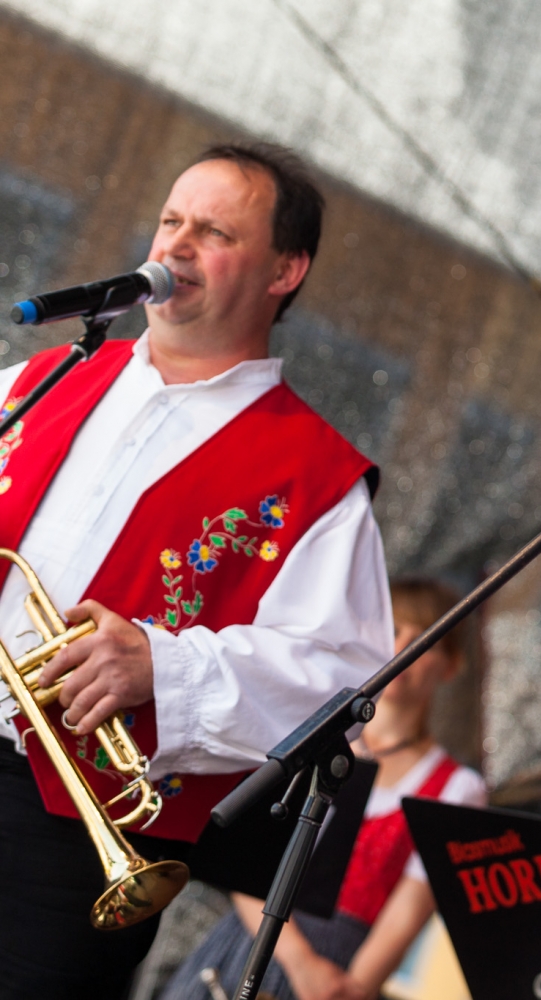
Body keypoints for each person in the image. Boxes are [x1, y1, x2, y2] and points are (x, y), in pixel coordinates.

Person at [0, 142, 393, 999]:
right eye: (171, 220)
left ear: (285, 270)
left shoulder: (316, 478)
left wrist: (163, 666)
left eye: (214, 232)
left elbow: (341, 682)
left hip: (72, 839)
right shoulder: (39, 379)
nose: (175, 245)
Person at [160, 577, 488, 1000]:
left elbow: (411, 908)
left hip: (342, 971)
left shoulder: (457, 788)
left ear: (450, 665)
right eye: (392, 631)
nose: (402, 648)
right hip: (250, 941)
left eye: (424, 640)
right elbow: (250, 865)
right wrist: (300, 962)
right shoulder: (315, 738)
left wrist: (351, 986)